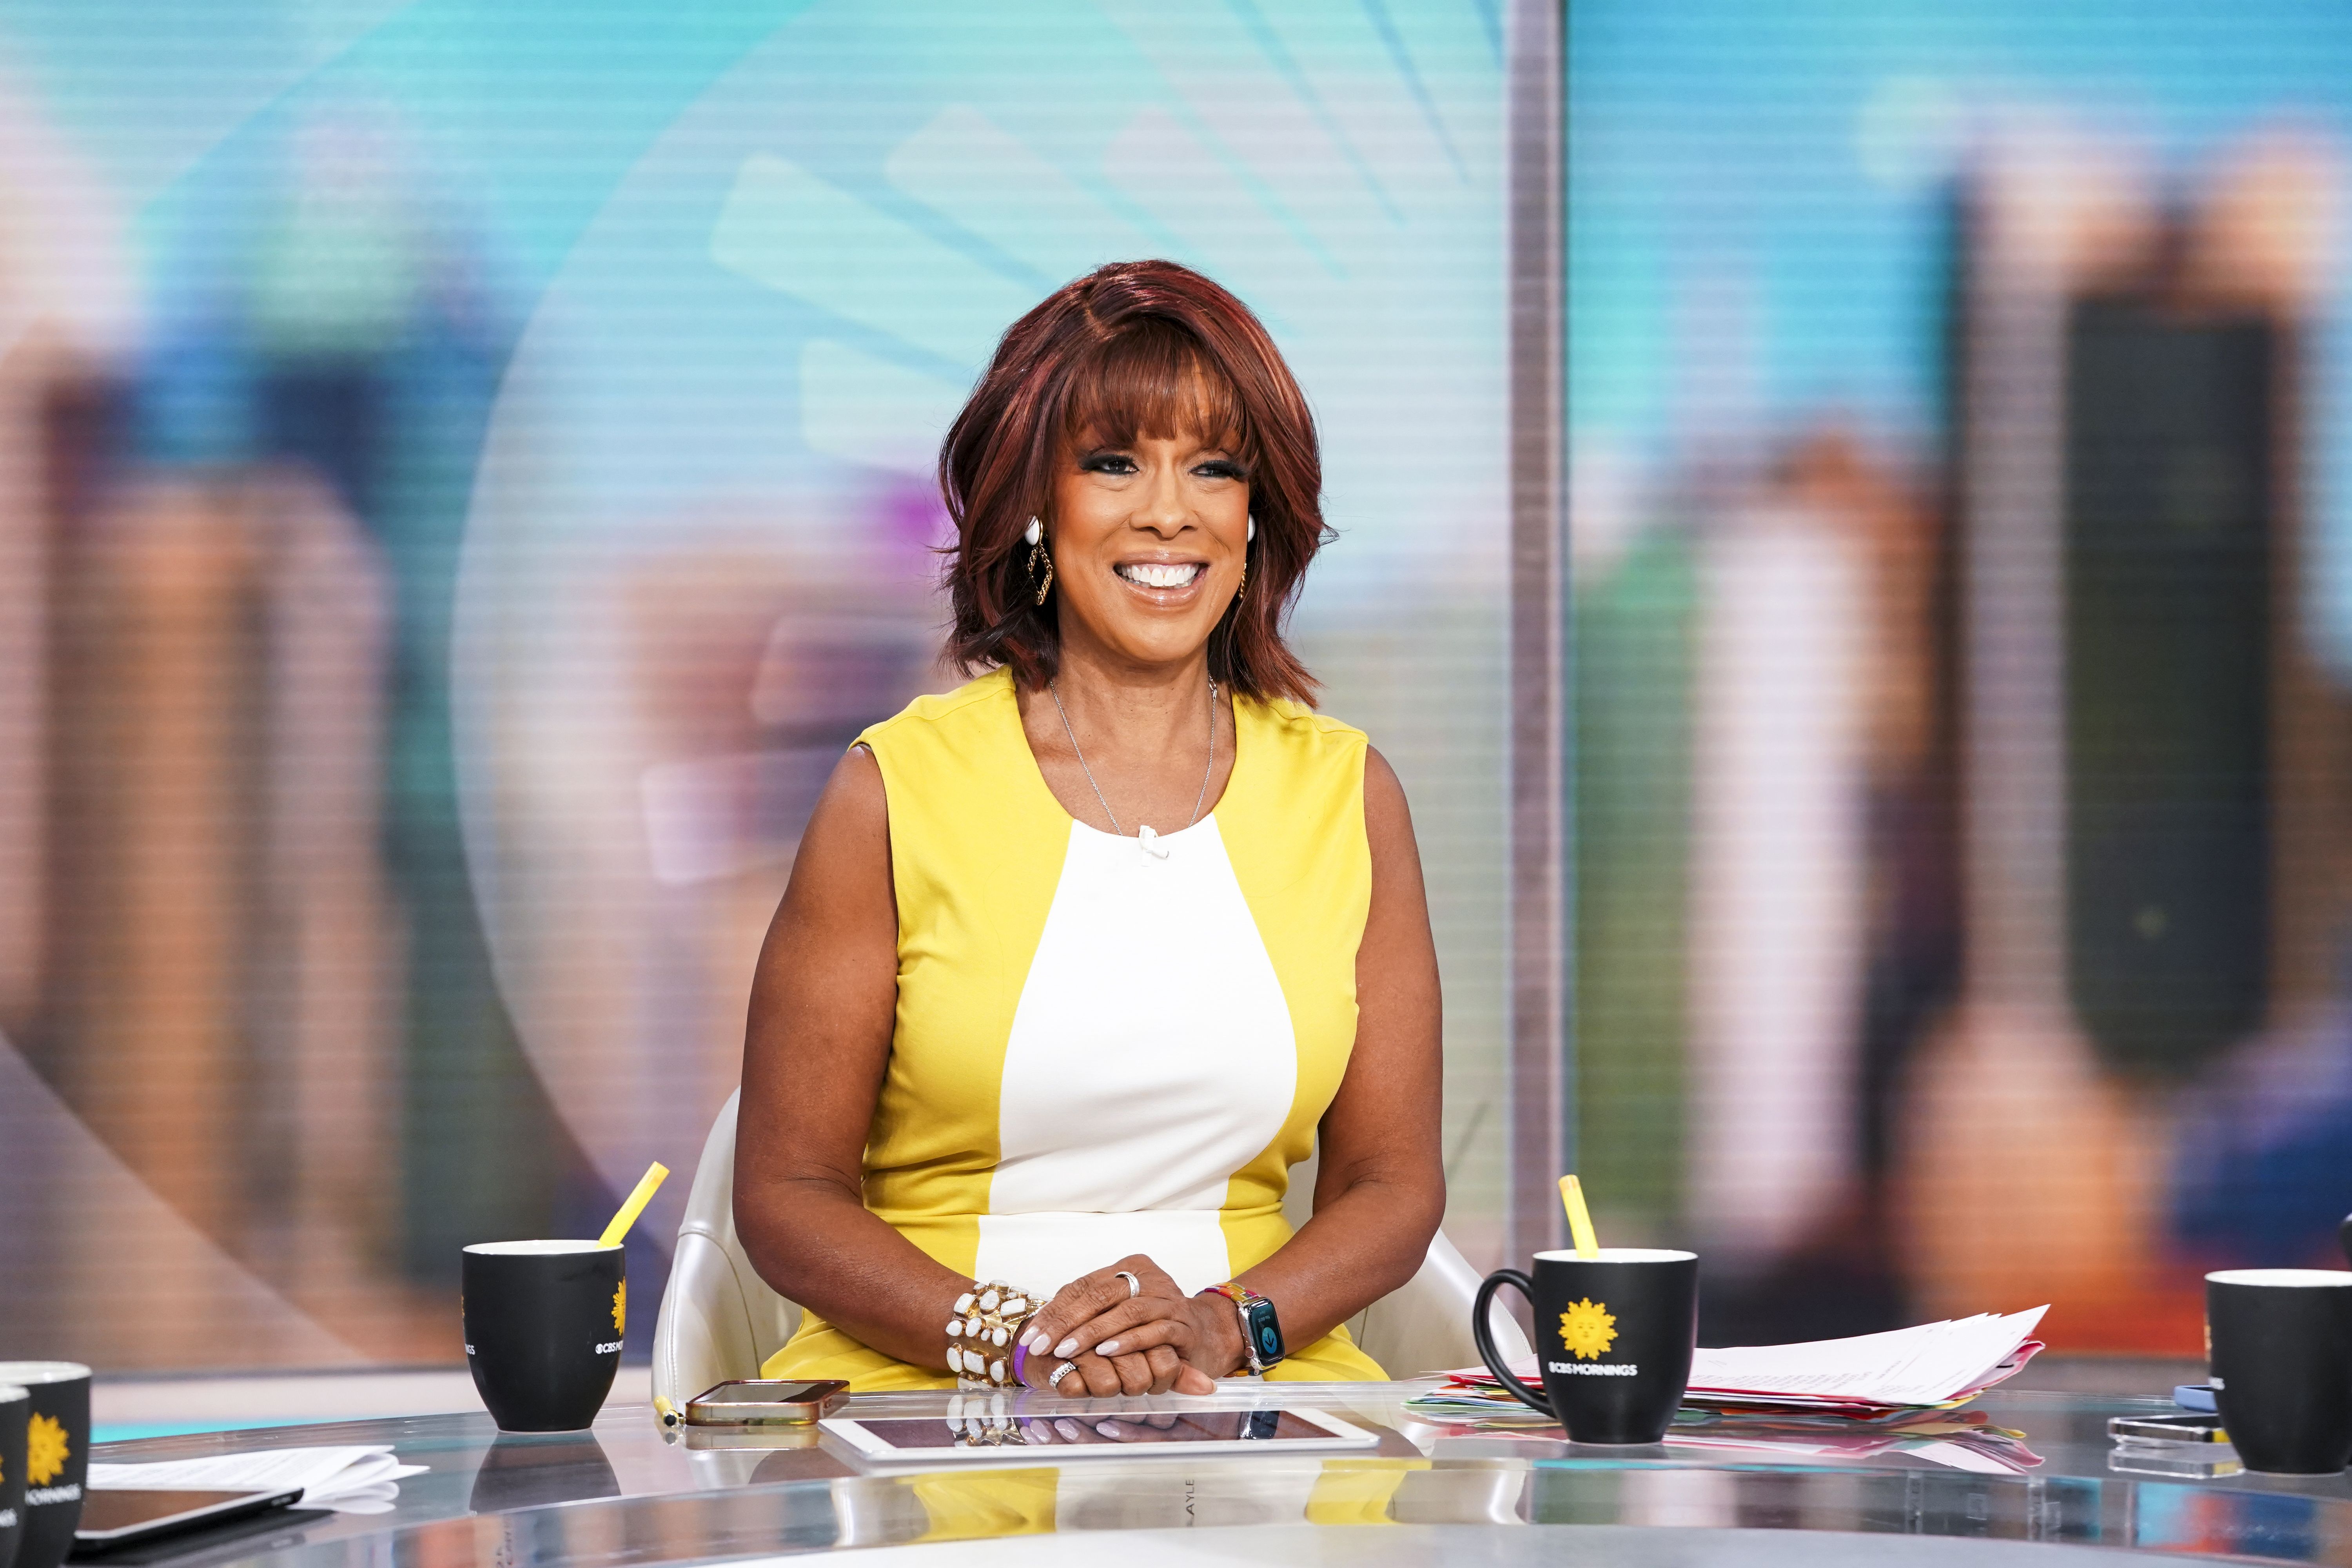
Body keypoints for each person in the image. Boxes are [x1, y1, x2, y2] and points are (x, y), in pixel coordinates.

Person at [735, 260, 1444, 1396]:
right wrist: (1020, 1343)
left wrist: (1223, 1329)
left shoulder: (1349, 795)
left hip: (1248, 1384)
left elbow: (1393, 1187)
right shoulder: (893, 789)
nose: (1169, 510)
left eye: (1214, 467)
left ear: (1256, 512)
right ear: (1035, 499)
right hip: (937, 1382)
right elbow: (786, 1196)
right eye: (1113, 462)